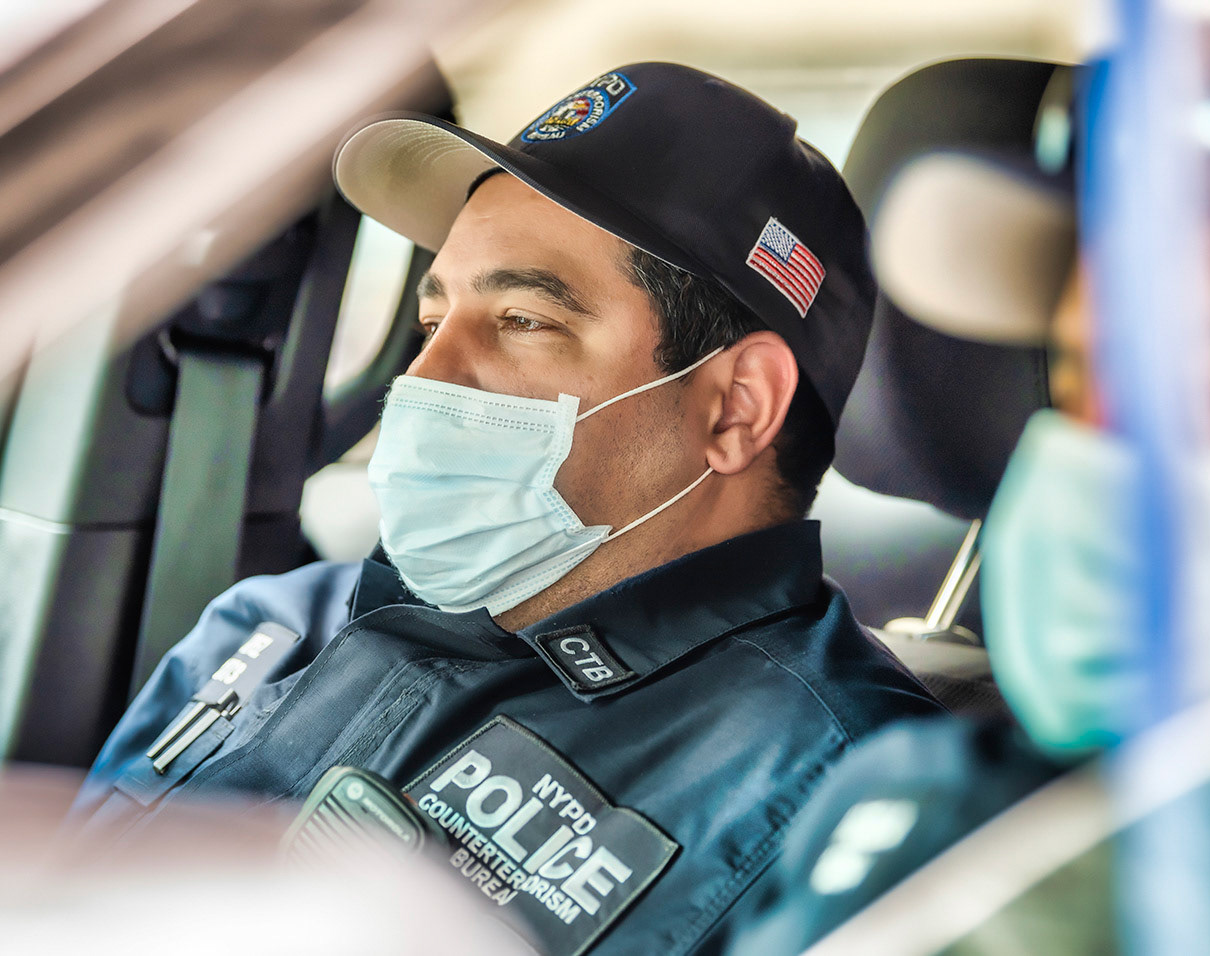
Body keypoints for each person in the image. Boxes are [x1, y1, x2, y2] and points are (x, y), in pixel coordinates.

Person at [71, 62, 941, 955]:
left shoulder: (852, 805)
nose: (422, 379)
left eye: (522, 320)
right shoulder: (275, 624)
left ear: (735, 406)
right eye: (431, 318)